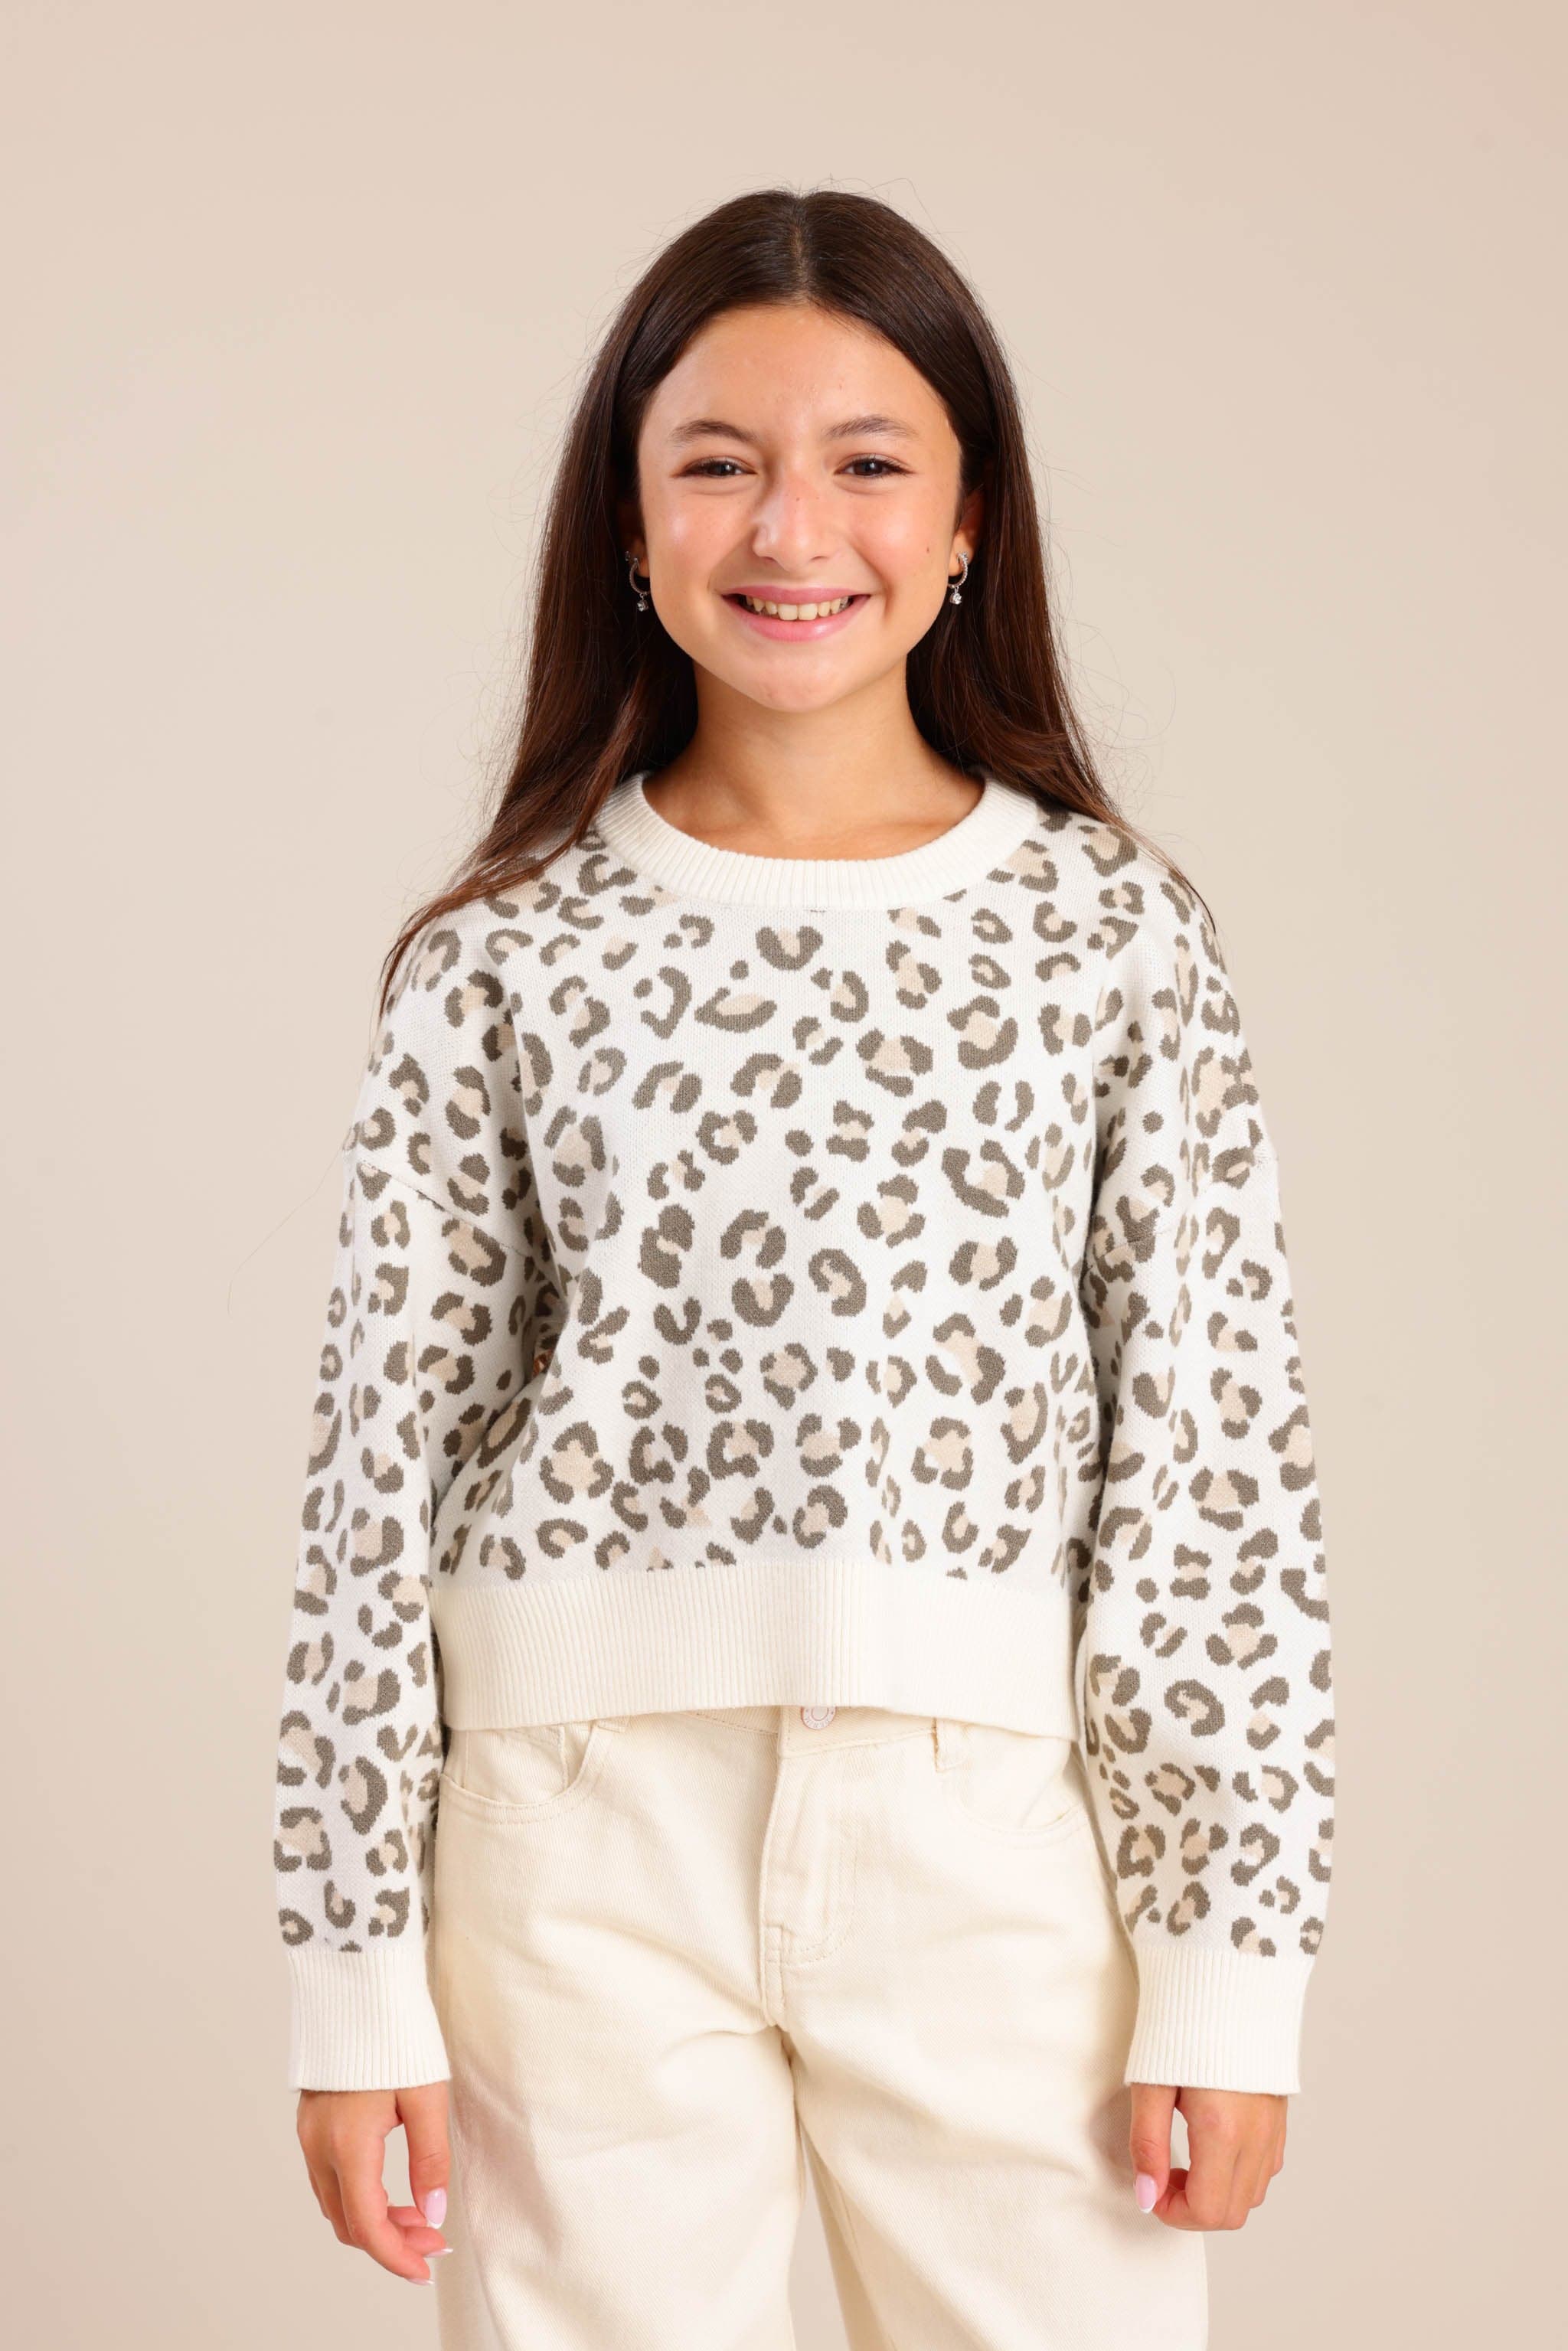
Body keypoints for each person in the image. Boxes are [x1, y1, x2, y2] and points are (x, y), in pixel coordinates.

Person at [273, 184, 1334, 2349]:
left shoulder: (1113, 939)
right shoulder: (503, 960)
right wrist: (350, 1972)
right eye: (717, 462)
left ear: (967, 520)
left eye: (867, 461)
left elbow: (1215, 1467)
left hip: (994, 1839)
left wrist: (1234, 1959)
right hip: (572, 1846)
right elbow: (374, 1478)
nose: (792, 530)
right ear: (631, 520)